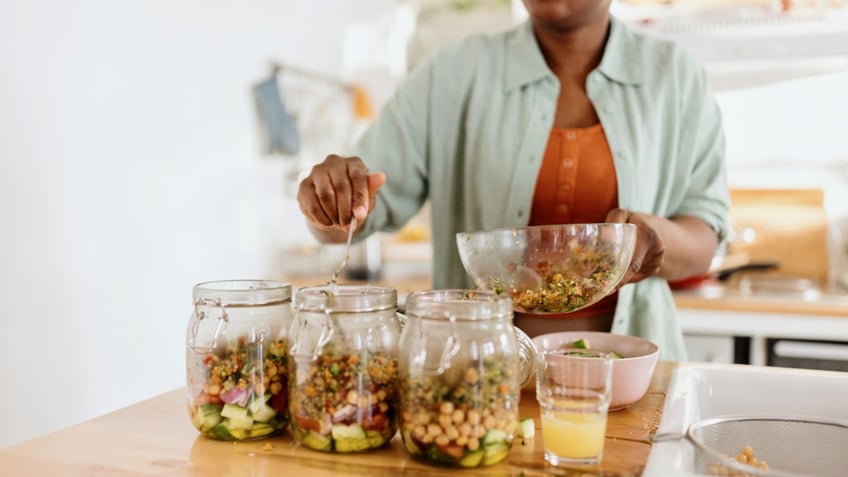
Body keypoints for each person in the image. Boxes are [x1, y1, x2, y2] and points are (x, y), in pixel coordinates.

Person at [296, 0, 730, 361]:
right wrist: (329, 199)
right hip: (471, 372)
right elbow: (353, 213)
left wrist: (655, 240)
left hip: (632, 374)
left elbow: (705, 238)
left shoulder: (674, 77)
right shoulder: (451, 73)